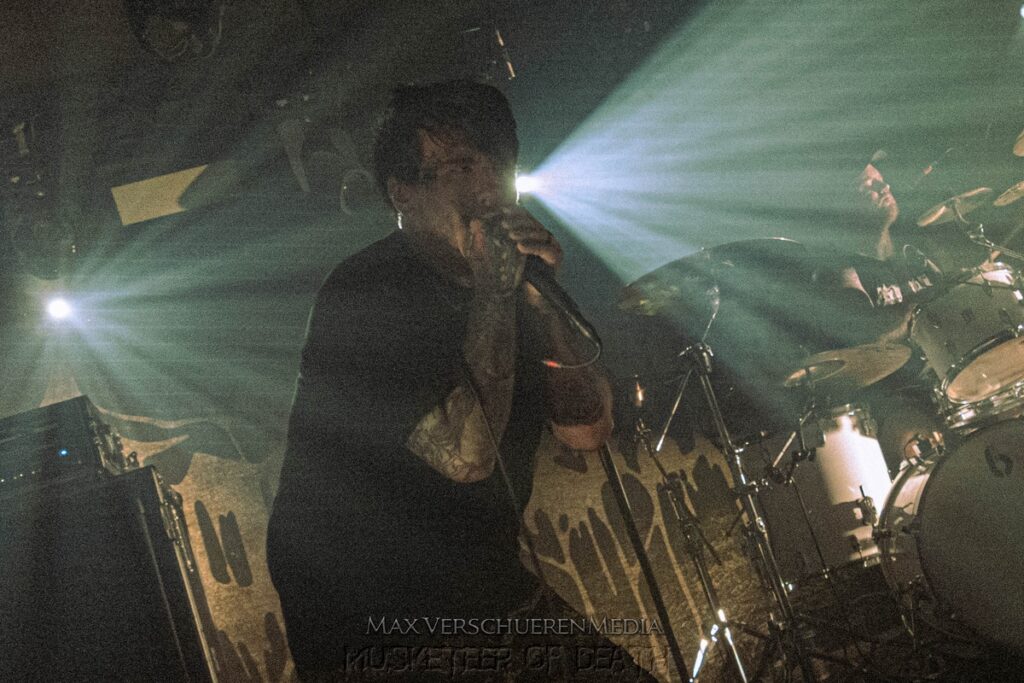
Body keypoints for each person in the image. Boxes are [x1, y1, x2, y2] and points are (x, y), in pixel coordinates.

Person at [266, 80, 653, 681]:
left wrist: (541, 302)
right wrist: (496, 290)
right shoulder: (366, 293)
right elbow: (466, 456)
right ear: (402, 193)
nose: (489, 186)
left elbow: (587, 430)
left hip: (479, 583)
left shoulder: (515, 280)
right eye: (460, 167)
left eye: (498, 163)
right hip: (369, 609)